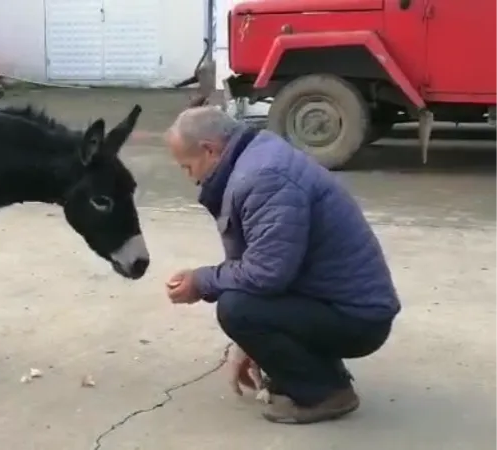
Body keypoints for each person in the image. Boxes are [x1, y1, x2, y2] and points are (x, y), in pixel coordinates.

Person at [163, 106, 400, 424]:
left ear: (209, 149)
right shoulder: (257, 155)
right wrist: (253, 344)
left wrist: (201, 281)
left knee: (236, 308)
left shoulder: (265, 177)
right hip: (341, 302)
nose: (190, 177)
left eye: (187, 166)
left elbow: (266, 274)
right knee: (243, 304)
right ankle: (322, 375)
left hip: (358, 319)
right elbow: (269, 263)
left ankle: (326, 394)